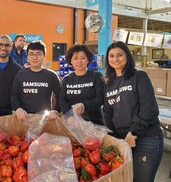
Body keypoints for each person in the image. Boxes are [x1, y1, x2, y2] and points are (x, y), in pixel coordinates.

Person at [103, 41, 163, 182]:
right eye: (111, 56)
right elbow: (107, 112)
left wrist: (134, 132)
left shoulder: (139, 77)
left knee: (141, 179)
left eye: (120, 55)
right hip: (122, 140)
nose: (115, 59)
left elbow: (150, 109)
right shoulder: (108, 83)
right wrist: (113, 136)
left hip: (146, 138)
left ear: (127, 56)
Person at [11, 40, 61, 120]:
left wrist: (56, 110)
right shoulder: (20, 75)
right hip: (24, 118)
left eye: (38, 54)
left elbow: (60, 96)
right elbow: (13, 95)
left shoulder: (51, 76)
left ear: (44, 56)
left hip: (45, 119)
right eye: (31, 54)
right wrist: (18, 109)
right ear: (27, 56)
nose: (35, 57)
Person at [59, 44, 104, 125]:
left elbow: (100, 98)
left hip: (94, 123)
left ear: (88, 60)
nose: (79, 61)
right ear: (71, 61)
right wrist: (69, 116)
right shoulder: (67, 79)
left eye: (82, 58)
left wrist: (84, 106)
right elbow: (62, 100)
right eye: (75, 58)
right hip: (73, 123)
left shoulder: (96, 76)